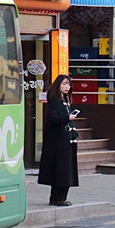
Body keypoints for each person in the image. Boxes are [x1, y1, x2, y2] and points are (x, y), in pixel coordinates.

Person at [37, 74, 79, 206]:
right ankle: (57, 198)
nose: (67, 87)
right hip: (59, 142)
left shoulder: (64, 99)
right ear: (58, 85)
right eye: (64, 84)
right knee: (61, 170)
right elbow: (53, 118)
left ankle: (60, 197)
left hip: (66, 140)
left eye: (69, 84)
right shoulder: (55, 100)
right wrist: (68, 118)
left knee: (66, 170)